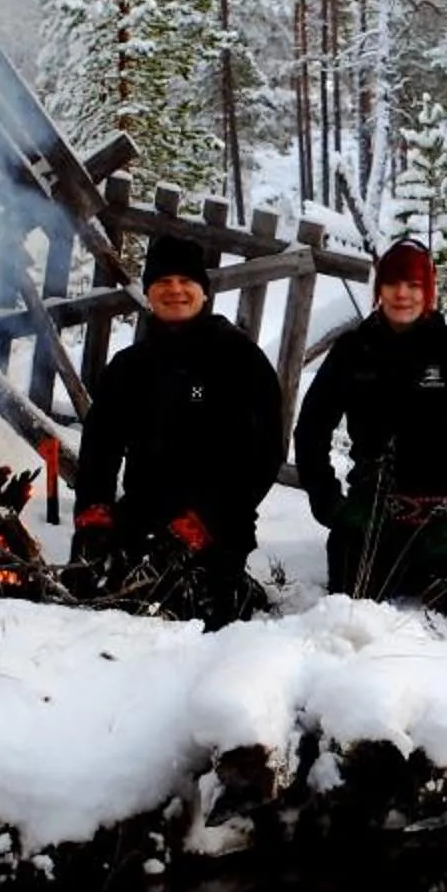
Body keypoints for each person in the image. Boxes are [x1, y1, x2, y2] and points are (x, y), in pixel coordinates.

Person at [292, 239, 447, 633]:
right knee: (350, 616)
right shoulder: (352, 351)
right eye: (393, 283)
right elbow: (311, 429)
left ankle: (436, 576)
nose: (402, 294)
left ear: (428, 292)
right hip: (372, 513)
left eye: (414, 285)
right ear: (379, 289)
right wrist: (329, 503)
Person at [69, 233, 283, 626]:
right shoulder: (129, 366)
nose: (175, 291)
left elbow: (263, 456)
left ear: (203, 292)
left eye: (186, 282)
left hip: (216, 521)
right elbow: (99, 450)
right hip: (141, 515)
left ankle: (236, 589)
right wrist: (93, 517)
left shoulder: (238, 359)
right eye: (163, 282)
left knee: (186, 608)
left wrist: (202, 523)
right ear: (149, 293)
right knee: (94, 594)